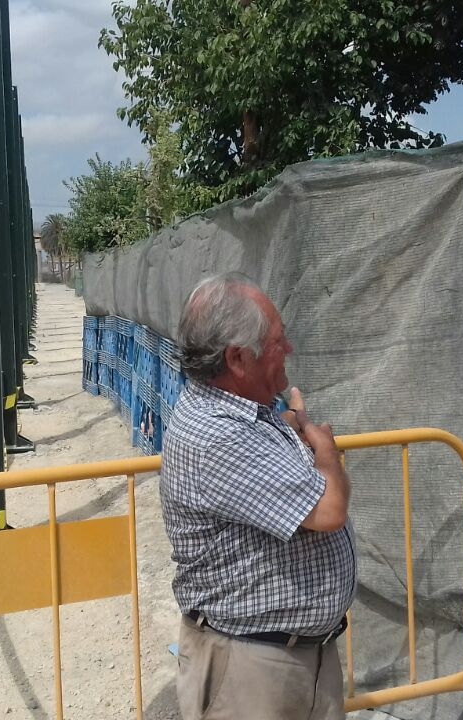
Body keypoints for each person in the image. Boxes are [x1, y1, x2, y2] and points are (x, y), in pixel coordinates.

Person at [160, 273, 356, 720]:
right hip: (252, 671)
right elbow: (329, 510)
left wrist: (288, 432)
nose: (287, 349)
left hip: (285, 658)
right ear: (237, 358)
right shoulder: (217, 434)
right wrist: (326, 453)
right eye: (277, 341)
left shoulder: (239, 413)